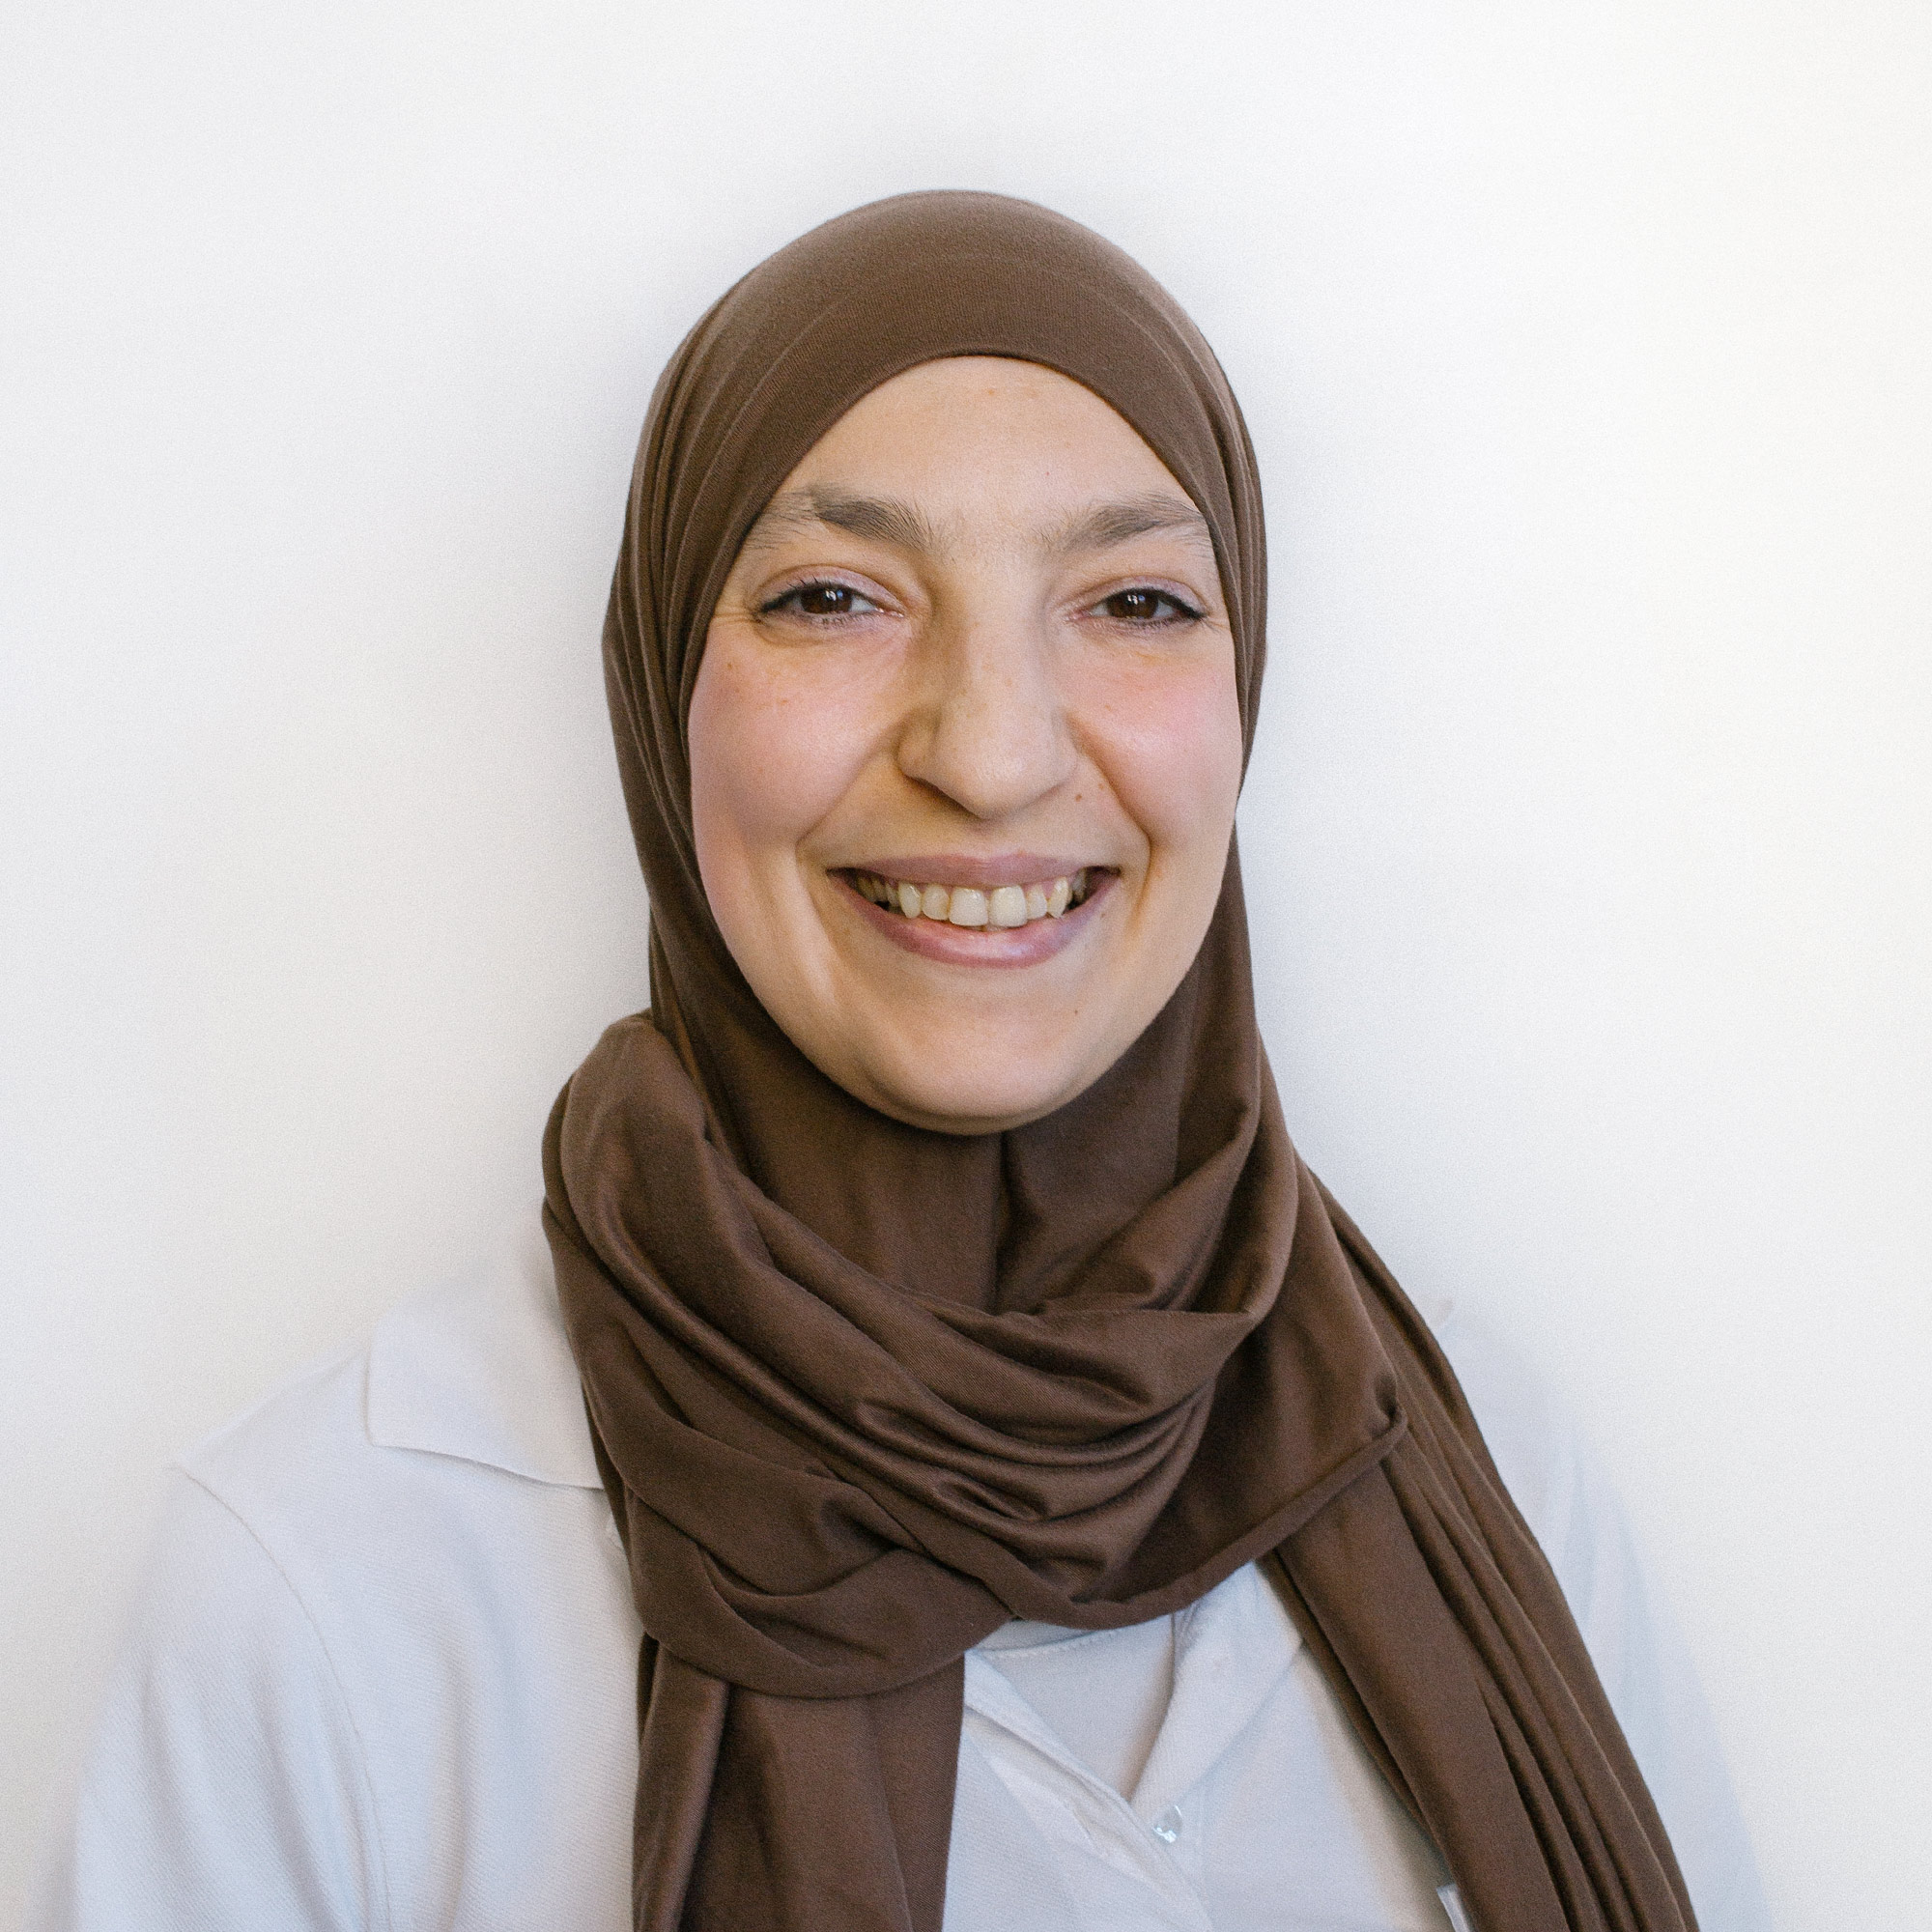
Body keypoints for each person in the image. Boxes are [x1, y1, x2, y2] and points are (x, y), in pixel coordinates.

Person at [29, 192, 1769, 1932]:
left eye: (1137, 598)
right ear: (663, 688)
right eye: (834, 598)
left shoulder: (1484, 1465)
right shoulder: (336, 1579)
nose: (993, 754)